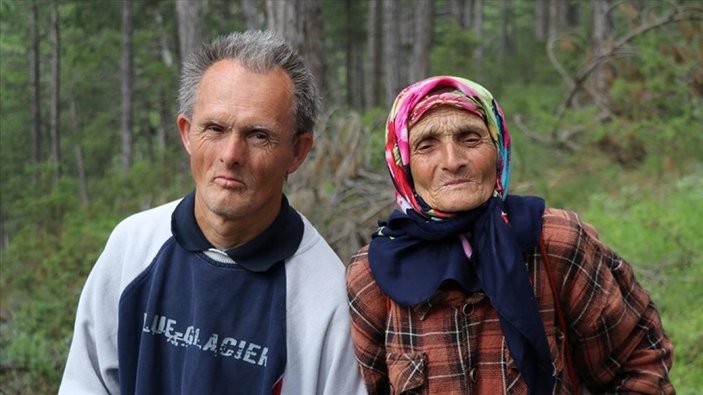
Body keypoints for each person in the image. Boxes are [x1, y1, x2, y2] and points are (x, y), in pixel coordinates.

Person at [59, 31, 364, 395]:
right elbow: (85, 382)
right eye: (215, 128)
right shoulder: (133, 247)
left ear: (297, 152)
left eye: (258, 136)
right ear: (187, 133)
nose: (231, 154)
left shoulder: (325, 297)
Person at [346, 76, 674, 394]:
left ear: (498, 147)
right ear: (402, 163)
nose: (452, 161)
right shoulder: (374, 275)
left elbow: (638, 365)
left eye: (470, 138)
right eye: (426, 145)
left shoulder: (556, 244)